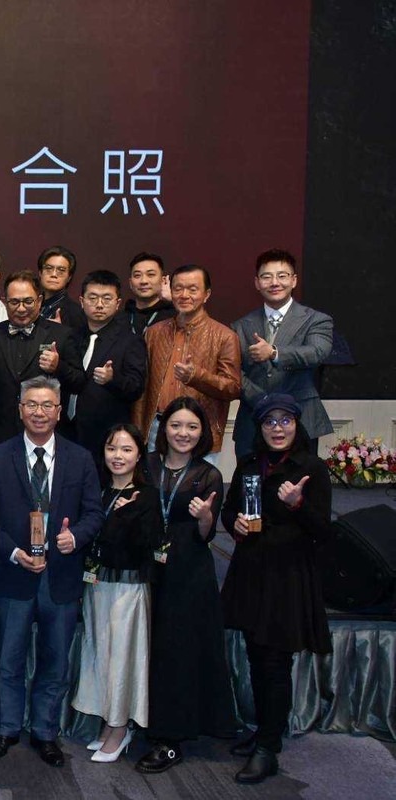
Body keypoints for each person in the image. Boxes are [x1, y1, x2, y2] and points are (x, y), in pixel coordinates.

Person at [0, 376, 101, 768]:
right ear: (20, 409)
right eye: (31, 404)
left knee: (55, 661)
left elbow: (94, 513)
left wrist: (74, 538)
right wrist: (14, 552)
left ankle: (46, 732)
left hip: (60, 577)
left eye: (47, 405)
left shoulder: (81, 458)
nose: (39, 412)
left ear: (59, 411)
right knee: (9, 660)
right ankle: (6, 728)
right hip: (12, 574)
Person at [221, 393, 333, 784]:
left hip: (287, 579)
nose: (277, 428)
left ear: (297, 425)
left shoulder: (312, 468)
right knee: (256, 656)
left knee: (275, 662)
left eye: (286, 420)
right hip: (252, 572)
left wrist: (298, 504)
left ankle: (269, 748)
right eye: (270, 421)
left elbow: (324, 532)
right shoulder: (249, 464)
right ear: (260, 427)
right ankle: (264, 732)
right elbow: (230, 509)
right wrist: (234, 523)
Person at [135, 397, 236, 774]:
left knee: (177, 653)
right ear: (164, 429)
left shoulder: (208, 475)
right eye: (176, 425)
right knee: (147, 648)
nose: (183, 433)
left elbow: (206, 535)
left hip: (188, 574)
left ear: (202, 432)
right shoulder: (146, 465)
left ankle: (170, 739)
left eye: (192, 427)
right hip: (147, 566)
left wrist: (206, 517)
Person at [71, 424, 162, 763]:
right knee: (99, 653)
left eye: (126, 449)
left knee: (122, 658)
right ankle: (109, 723)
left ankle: (121, 728)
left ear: (139, 454)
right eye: (112, 448)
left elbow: (147, 545)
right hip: (97, 586)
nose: (118, 456)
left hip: (128, 588)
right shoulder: (97, 491)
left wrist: (125, 518)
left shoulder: (146, 496)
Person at [230, 249, 334, 456]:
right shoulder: (239, 326)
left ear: (294, 280)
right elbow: (233, 370)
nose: (274, 282)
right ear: (257, 283)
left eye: (282, 276)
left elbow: (317, 352)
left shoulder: (316, 320)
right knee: (251, 476)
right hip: (252, 420)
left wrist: (273, 352)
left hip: (302, 419)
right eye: (266, 277)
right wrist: (262, 400)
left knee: (301, 476)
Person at [133, 264, 241, 456]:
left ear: (206, 294)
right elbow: (143, 389)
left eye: (192, 289)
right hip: (157, 427)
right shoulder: (154, 333)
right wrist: (138, 431)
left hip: (201, 430)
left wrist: (196, 376)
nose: (184, 295)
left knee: (199, 477)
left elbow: (233, 388)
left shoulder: (225, 336)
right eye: (178, 289)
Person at [0, 271, 85, 447]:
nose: (21, 309)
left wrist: (58, 367)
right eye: (14, 302)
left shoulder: (61, 334)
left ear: (40, 300)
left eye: (28, 301)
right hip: (1, 435)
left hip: (48, 434)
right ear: (5, 301)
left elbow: (79, 383)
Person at [66, 270, 147, 464]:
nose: (99, 304)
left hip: (105, 436)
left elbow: (136, 388)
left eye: (107, 298)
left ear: (118, 303)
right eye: (93, 298)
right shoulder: (71, 336)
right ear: (82, 301)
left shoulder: (130, 341)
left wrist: (113, 379)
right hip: (67, 430)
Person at [36, 246, 85, 334]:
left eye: (61, 270)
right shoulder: (30, 305)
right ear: (40, 273)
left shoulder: (76, 313)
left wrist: (60, 332)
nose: (54, 274)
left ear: (69, 277)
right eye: (49, 268)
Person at [124, 252, 175, 335]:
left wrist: (173, 300)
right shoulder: (120, 318)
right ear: (130, 283)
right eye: (137, 275)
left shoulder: (175, 315)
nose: (144, 281)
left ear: (163, 281)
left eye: (150, 274)